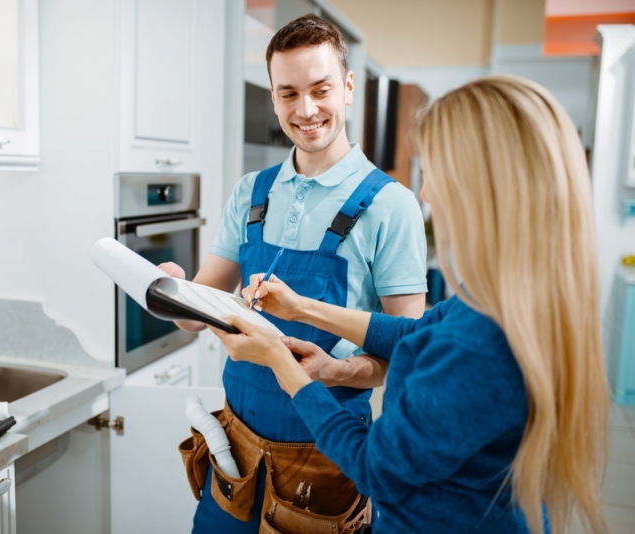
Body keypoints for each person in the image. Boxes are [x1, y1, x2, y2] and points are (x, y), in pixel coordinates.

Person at [212, 75, 610, 534]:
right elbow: (414, 333)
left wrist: (280, 360)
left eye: (434, 173)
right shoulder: (507, 301)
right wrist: (302, 308)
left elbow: (375, 466)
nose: (425, 193)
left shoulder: (477, 346)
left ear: (480, 188)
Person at [164, 13, 427, 534]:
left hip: (325, 459)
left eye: (320, 89)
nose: (305, 110)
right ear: (273, 95)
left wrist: (333, 370)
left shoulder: (391, 207)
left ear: (348, 88)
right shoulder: (251, 192)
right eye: (288, 94)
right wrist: (170, 294)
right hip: (232, 450)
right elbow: (198, 314)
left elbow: (409, 357)